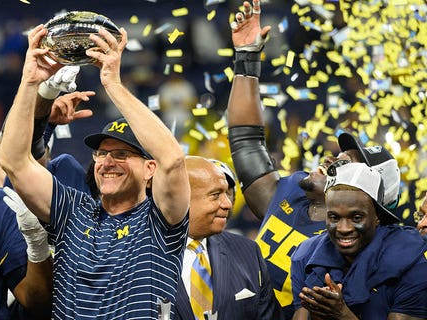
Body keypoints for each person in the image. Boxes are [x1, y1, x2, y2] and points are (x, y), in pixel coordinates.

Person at [0, 25, 190, 319]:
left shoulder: (162, 221)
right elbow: (14, 161)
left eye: (122, 154)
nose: (107, 162)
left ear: (150, 168)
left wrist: (112, 83)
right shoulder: (71, 210)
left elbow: (174, 159)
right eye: (101, 154)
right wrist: (30, 82)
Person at [225, 0, 401, 317]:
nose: (332, 160)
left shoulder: (362, 251)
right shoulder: (290, 194)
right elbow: (245, 139)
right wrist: (247, 59)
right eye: (339, 153)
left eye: (348, 164)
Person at [291, 162, 427, 319]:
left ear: (377, 217)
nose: (343, 228)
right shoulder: (305, 255)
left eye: (356, 217)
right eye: (334, 217)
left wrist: (341, 314)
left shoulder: (412, 261)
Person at [175, 156, 283, 320]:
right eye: (216, 194)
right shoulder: (138, 252)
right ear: (181, 196)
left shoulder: (248, 252)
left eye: (228, 193)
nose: (228, 204)